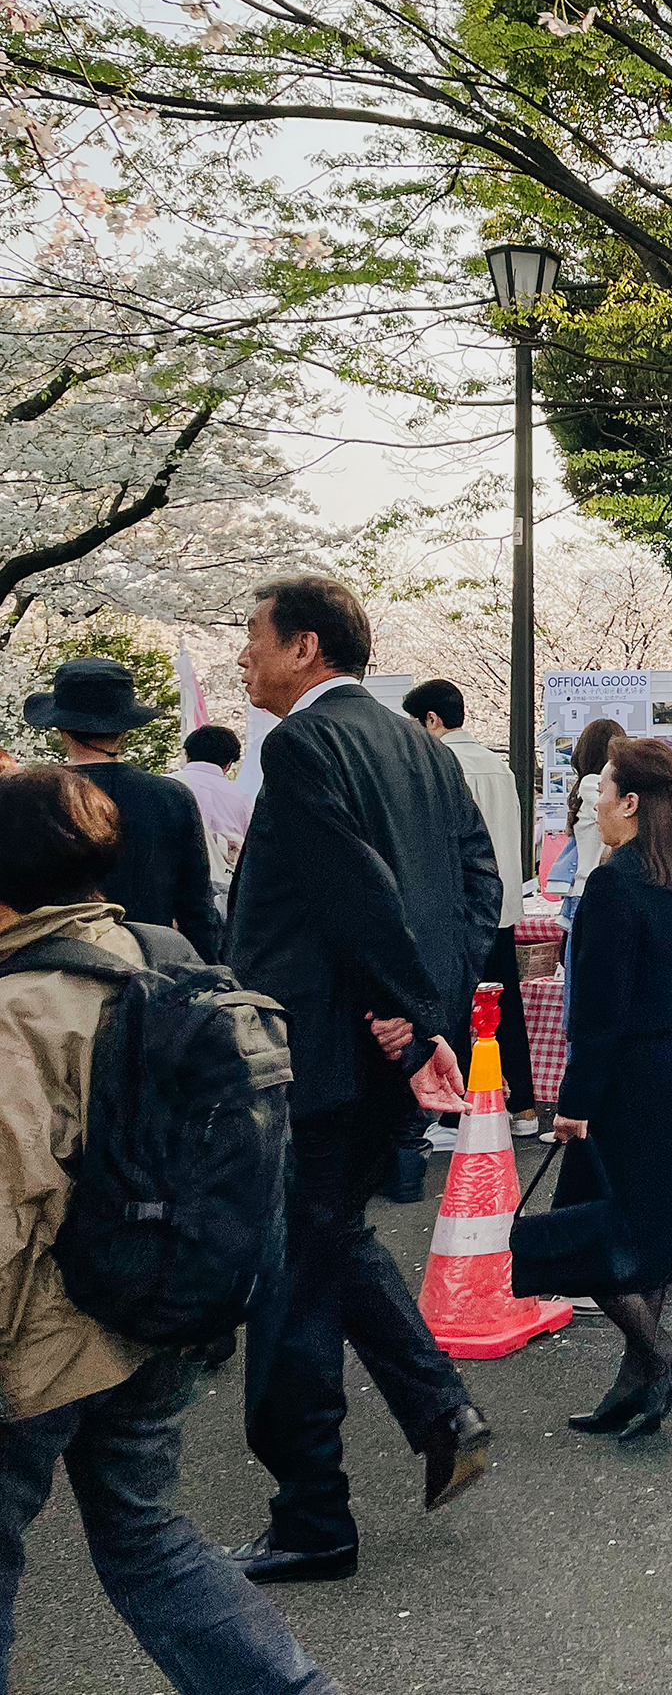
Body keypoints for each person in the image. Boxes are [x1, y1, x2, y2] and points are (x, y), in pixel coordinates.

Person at [0, 765, 340, 1695]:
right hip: (164, 1312)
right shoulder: (163, 955)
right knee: (146, 1536)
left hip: (41, 1350)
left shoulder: (18, 1010)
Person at [223, 577, 501, 1584]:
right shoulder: (421, 748)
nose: (242, 659)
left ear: (305, 647)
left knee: (289, 1285)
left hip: (313, 1054)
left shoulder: (301, 745)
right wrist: (427, 1005)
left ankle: (314, 1516)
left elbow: (354, 889)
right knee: (329, 1239)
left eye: (252, 639)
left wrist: (406, 1007)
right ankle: (440, 1411)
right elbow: (478, 882)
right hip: (375, 1049)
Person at [551, 737, 672, 1441]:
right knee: (649, 1234)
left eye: (600, 794)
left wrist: (574, 1102)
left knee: (590, 1239)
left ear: (628, 802)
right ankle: (637, 1380)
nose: (593, 806)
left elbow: (600, 1011)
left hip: (623, 1080)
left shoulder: (615, 884)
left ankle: (662, 1356)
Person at [404, 679, 540, 1139]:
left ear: (431, 720)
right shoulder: (497, 765)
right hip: (503, 905)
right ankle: (522, 1109)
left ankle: (453, 1115)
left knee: (461, 1008)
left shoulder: (439, 763)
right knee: (508, 1008)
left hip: (461, 910)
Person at [22, 658, 221, 962]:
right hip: (146, 969)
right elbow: (196, 910)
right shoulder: (171, 796)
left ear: (61, 726)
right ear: (125, 727)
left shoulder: (28, 797)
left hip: (49, 971)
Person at [173, 723, 253, 918]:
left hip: (173, 889)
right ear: (228, 764)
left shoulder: (166, 786)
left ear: (187, 755)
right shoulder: (242, 799)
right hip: (223, 894)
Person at [566, 717, 625, 910]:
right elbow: (618, 822)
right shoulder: (592, 784)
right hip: (591, 889)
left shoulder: (589, 786)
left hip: (593, 886)